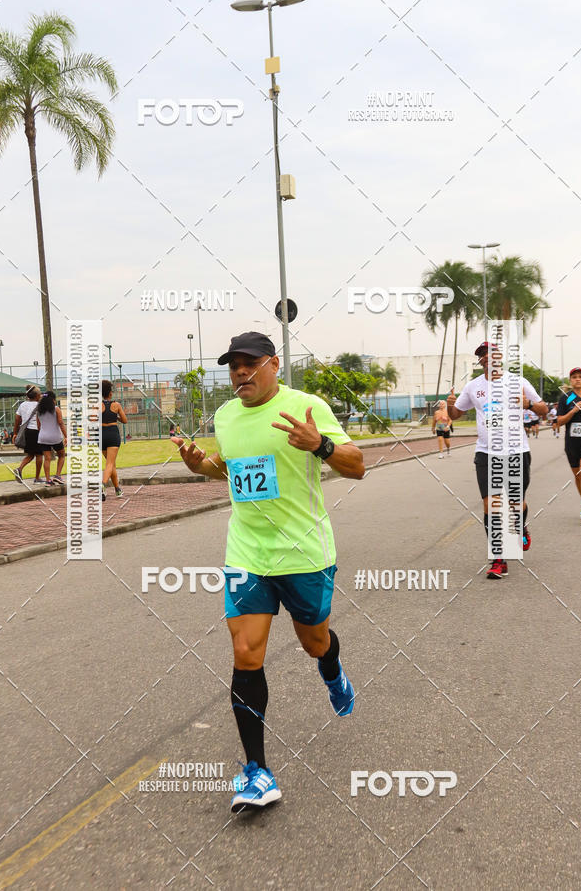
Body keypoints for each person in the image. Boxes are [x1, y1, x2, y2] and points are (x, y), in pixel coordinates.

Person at [172, 332, 365, 813]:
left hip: (304, 555)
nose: (240, 372)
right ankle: (257, 772)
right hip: (247, 552)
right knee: (245, 651)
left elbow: (357, 466)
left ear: (274, 364)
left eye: (249, 363)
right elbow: (231, 469)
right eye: (233, 365)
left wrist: (319, 445)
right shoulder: (225, 416)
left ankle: (333, 671)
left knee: (314, 642)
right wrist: (202, 467)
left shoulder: (308, 406)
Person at [447, 341, 547, 579]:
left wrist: (529, 404)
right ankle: (498, 559)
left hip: (516, 451)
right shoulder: (473, 387)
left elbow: (543, 409)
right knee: (490, 504)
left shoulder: (519, 382)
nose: (486, 358)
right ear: (480, 361)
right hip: (486, 453)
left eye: (490, 354)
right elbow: (456, 415)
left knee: (515, 503)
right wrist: (450, 408)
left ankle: (520, 526)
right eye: (482, 355)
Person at [554, 367, 581, 524]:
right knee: (578, 475)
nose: (577, 379)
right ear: (571, 381)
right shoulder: (566, 398)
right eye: (574, 377)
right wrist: (573, 411)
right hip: (572, 442)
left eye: (580, 376)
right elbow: (559, 422)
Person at [101, 379, 127, 500]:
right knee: (110, 464)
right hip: (112, 434)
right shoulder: (116, 405)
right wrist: (114, 416)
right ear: (110, 393)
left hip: (101, 435)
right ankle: (103, 484)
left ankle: (117, 489)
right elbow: (125, 420)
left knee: (111, 465)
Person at [12, 385, 44, 484]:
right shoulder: (39, 405)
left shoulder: (23, 405)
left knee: (30, 454)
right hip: (36, 431)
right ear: (37, 395)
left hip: (27, 432)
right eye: (40, 394)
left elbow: (17, 419)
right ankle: (37, 478)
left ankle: (20, 469)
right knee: (39, 454)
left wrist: (15, 433)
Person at [36, 391, 67, 485]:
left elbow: (38, 426)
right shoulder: (56, 409)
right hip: (55, 436)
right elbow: (61, 423)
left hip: (43, 437)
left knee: (47, 458)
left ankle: (48, 480)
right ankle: (57, 475)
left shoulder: (39, 410)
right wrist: (66, 436)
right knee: (61, 455)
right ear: (53, 400)